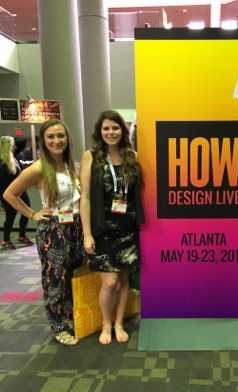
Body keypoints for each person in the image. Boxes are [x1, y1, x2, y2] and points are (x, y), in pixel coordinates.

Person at [3, 119, 87, 346]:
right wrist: (32, 215)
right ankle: (58, 327)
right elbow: (10, 194)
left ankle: (71, 319)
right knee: (55, 280)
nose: (56, 141)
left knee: (74, 276)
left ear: (68, 138)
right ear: (43, 141)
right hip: (54, 230)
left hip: (78, 227)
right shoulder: (39, 168)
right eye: (51, 137)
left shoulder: (74, 166)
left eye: (60, 136)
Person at [80, 110, 145, 345]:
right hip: (102, 228)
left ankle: (118, 323)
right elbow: (85, 197)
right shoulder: (91, 157)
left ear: (123, 130)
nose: (111, 132)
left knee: (124, 279)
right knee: (110, 282)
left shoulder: (132, 156)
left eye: (115, 128)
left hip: (127, 228)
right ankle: (106, 324)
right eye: (106, 128)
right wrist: (87, 233)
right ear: (100, 131)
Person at [0, 136, 34, 250]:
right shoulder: (2, 162)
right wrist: (15, 190)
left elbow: (23, 141)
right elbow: (3, 181)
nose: (15, 146)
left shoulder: (14, 157)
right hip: (7, 192)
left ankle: (22, 235)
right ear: (7, 147)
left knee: (27, 210)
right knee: (11, 215)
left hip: (20, 190)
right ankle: (6, 240)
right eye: (13, 144)